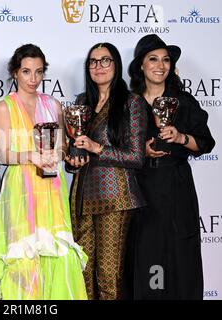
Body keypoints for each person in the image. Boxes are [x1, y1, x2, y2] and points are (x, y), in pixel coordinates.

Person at [0, 44, 88, 300]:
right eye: (27, 72)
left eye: (39, 72)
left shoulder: (54, 105)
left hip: (52, 186)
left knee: (56, 249)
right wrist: (33, 156)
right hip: (21, 187)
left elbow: (63, 146)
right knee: (24, 254)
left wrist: (60, 153)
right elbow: (3, 154)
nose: (33, 79)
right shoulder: (5, 107)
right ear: (15, 73)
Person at [126, 34, 215, 299]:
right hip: (141, 189)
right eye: (153, 59)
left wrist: (180, 138)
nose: (160, 65)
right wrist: (140, 150)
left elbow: (206, 143)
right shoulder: (129, 104)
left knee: (180, 255)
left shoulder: (184, 102)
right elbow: (116, 147)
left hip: (177, 188)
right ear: (141, 65)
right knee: (147, 257)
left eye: (166, 60)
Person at [68, 42, 148, 300]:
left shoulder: (131, 102)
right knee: (83, 271)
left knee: (108, 274)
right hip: (82, 195)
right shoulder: (82, 102)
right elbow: (77, 150)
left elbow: (136, 157)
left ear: (116, 65)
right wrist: (74, 159)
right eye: (93, 61)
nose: (98, 66)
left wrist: (96, 147)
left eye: (105, 60)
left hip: (115, 197)